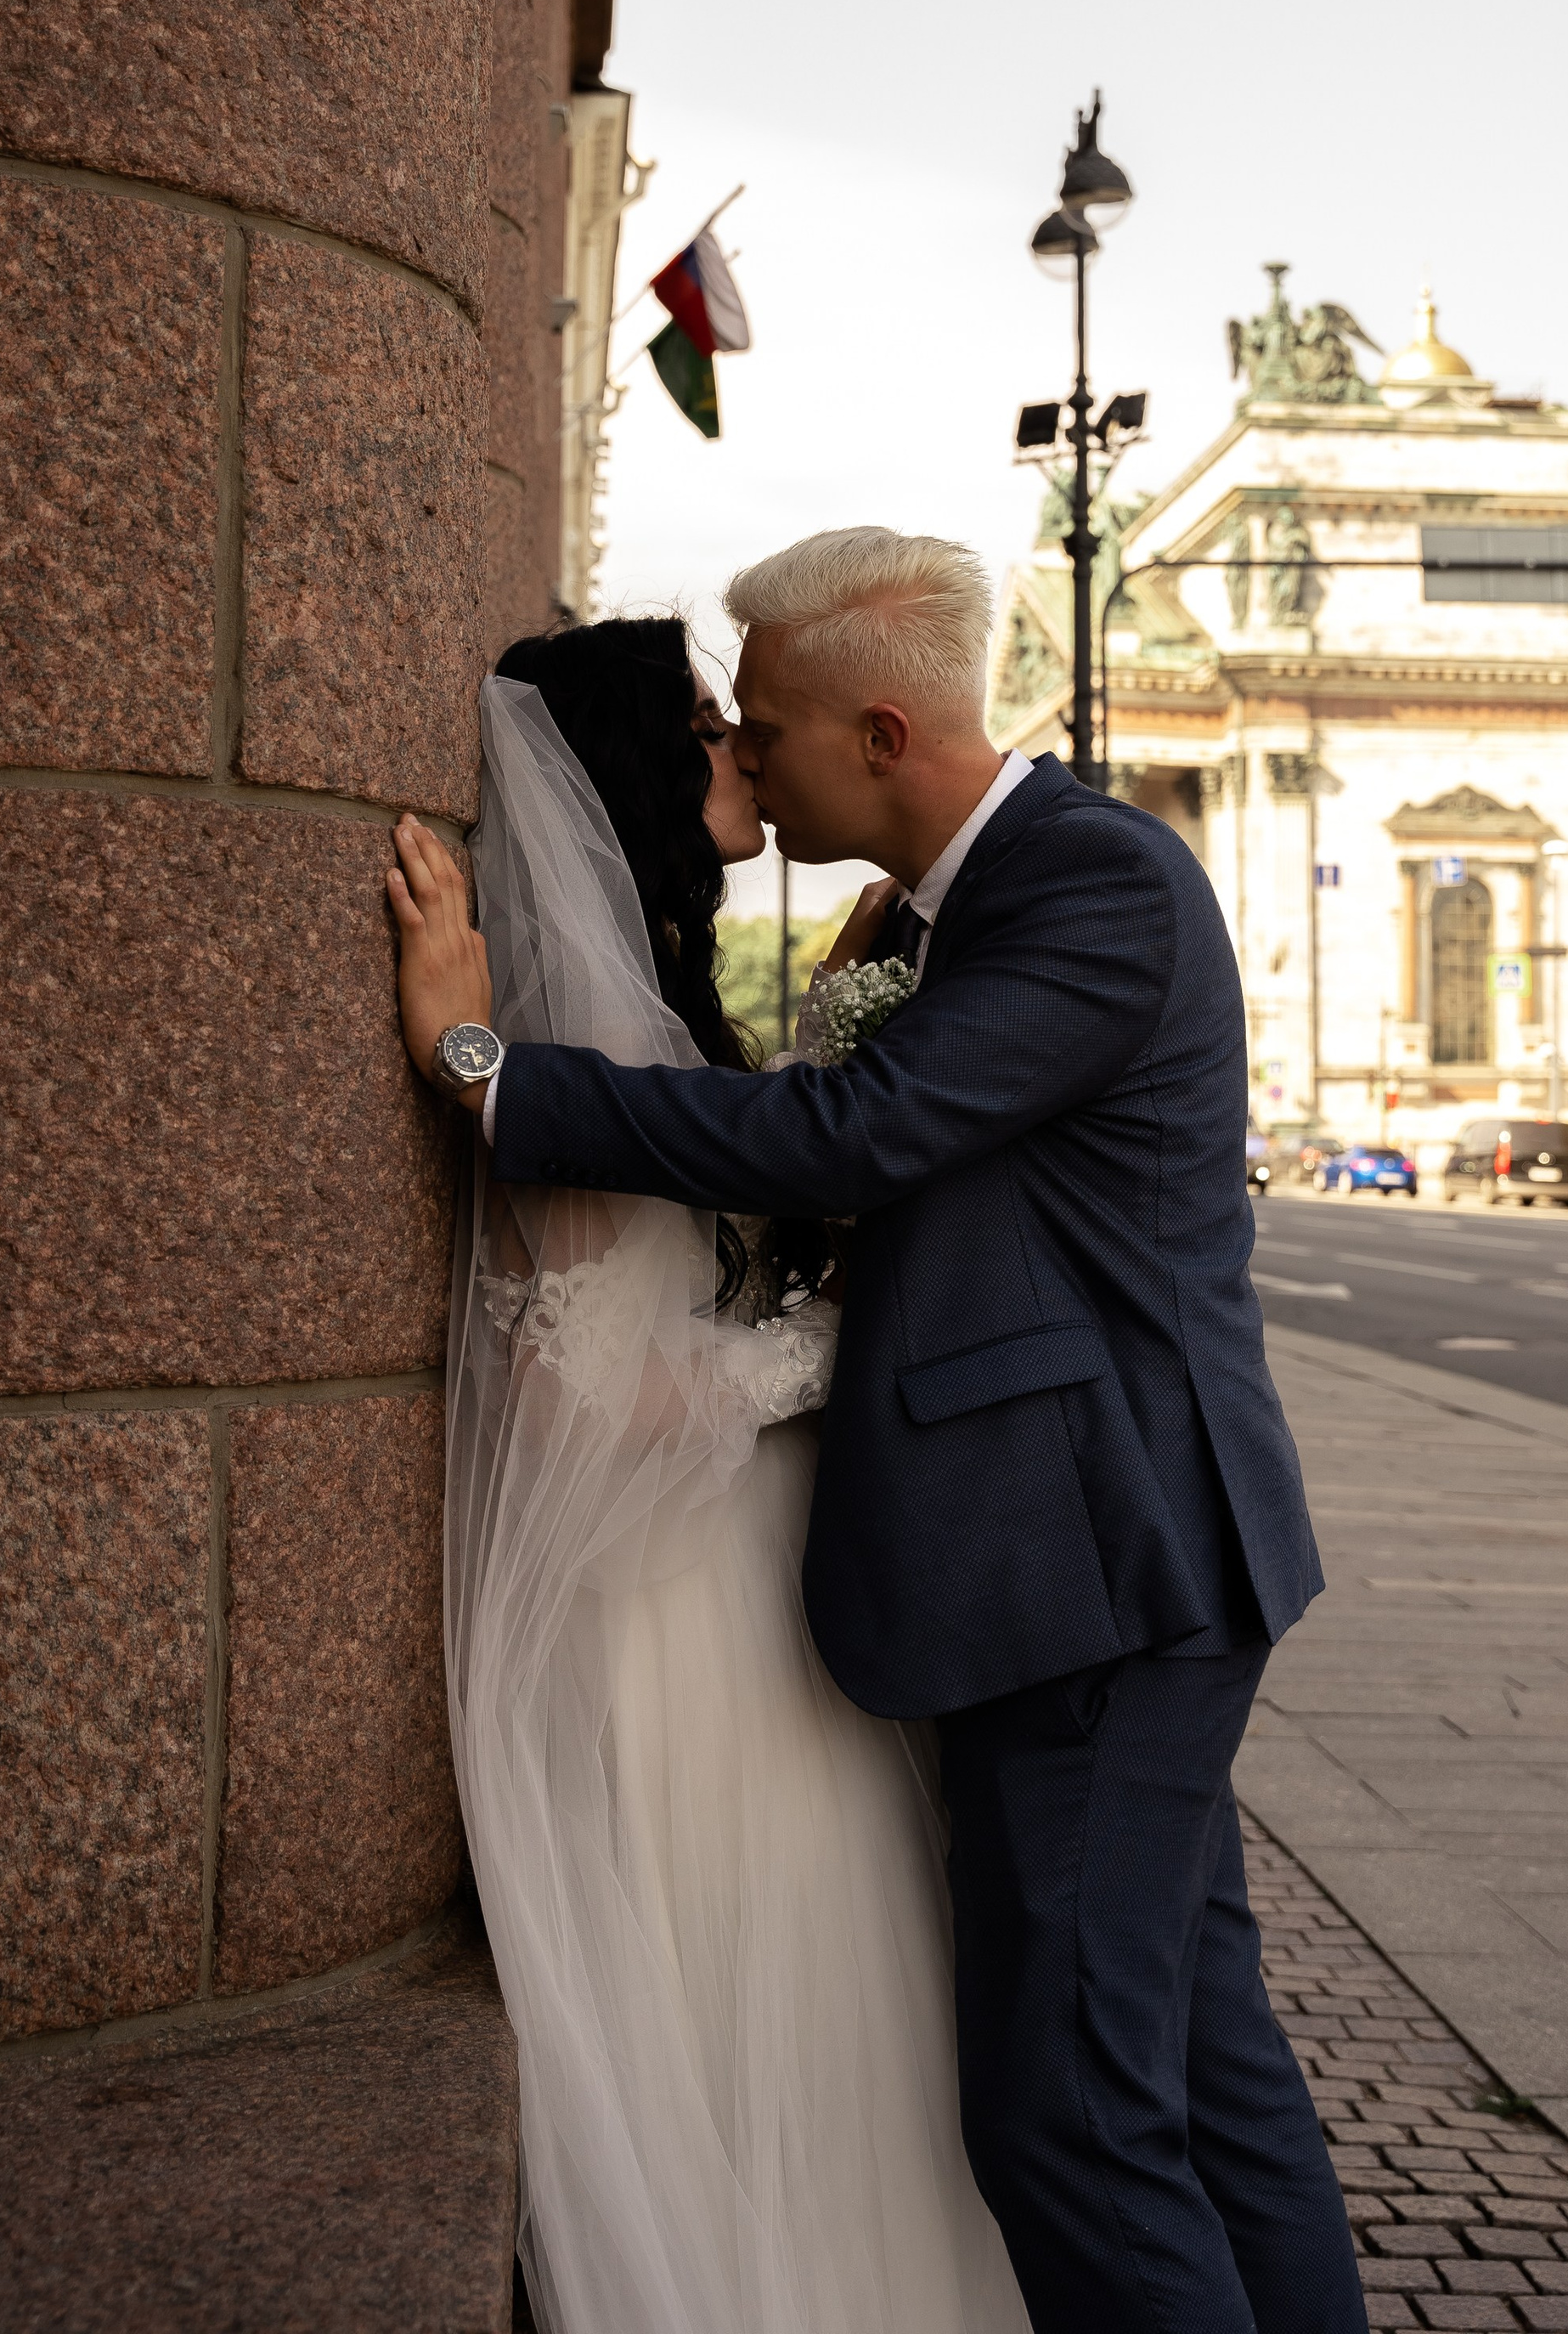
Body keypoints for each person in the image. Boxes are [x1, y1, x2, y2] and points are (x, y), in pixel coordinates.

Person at [390, 529, 1365, 2334]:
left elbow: (853, 1143)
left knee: (1070, 2117)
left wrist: (482, 1068)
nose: (749, 765)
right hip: (1053, 1559)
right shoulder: (946, 912)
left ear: (884, 737)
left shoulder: (1092, 883)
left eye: (765, 731)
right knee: (1196, 2065)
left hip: (1092, 1569)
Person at [411, 615, 1029, 2334]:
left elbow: (758, 1186)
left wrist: (835, 1048)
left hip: (751, 1572)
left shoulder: (654, 1013)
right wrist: (840, 1340)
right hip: (679, 1609)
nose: (744, 750)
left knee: (834, 2028)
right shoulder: (563, 1026)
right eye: (707, 728)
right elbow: (586, 1392)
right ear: (633, 773)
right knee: (772, 2021)